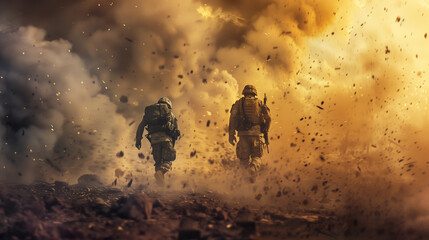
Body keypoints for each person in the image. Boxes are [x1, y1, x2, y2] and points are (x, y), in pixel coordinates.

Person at [228, 85, 271, 180]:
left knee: (243, 161)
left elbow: (233, 118)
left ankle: (245, 185)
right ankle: (253, 168)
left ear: (244, 92)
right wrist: (266, 130)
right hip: (257, 135)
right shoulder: (260, 103)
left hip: (243, 136)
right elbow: (268, 117)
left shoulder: (238, 103)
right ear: (254, 93)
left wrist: (231, 135)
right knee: (256, 157)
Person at [135, 97, 180, 185]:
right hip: (166, 140)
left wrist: (138, 140)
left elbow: (141, 127)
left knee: (158, 163)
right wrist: (172, 144)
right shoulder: (170, 113)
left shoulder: (150, 113)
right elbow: (176, 132)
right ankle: (160, 174)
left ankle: (160, 186)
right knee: (168, 161)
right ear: (169, 105)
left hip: (154, 141)